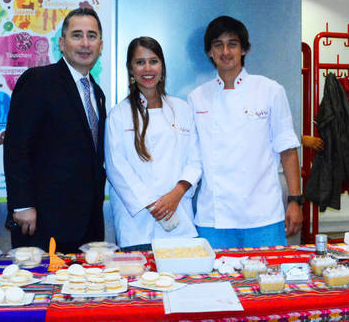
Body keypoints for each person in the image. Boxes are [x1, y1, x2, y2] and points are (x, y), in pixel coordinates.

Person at [187, 16, 302, 249]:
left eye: (232, 44)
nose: (225, 52)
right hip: (213, 219)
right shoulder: (197, 97)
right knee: (214, 273)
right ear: (209, 52)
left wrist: (295, 200)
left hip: (263, 216)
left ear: (244, 49)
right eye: (218, 45)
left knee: (270, 273)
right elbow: (193, 158)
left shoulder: (270, 90)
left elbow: (287, 151)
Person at [3, 8, 106, 252]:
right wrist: (22, 204)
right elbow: (17, 147)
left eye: (91, 36)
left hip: (87, 224)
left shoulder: (96, 93)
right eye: (77, 35)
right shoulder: (38, 81)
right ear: (61, 43)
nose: (85, 43)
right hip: (42, 221)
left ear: (100, 46)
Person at [105, 37, 201, 251]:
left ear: (162, 67)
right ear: (131, 69)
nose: (147, 69)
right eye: (140, 62)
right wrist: (153, 204)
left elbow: (195, 161)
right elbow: (116, 168)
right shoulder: (118, 115)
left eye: (153, 61)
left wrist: (175, 195)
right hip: (137, 226)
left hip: (180, 219)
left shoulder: (182, 109)